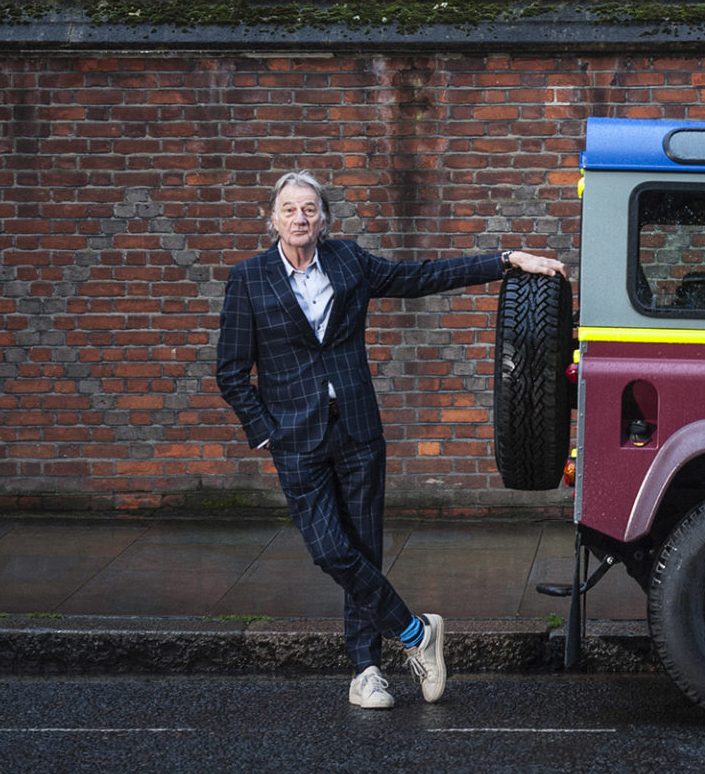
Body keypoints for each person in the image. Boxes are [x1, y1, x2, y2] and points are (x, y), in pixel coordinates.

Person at [216, 169, 564, 709]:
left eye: (309, 209)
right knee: (331, 552)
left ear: (324, 219)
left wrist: (505, 262)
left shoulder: (349, 261)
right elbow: (231, 372)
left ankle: (366, 670)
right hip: (296, 439)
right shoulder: (249, 279)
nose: (299, 218)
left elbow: (419, 277)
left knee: (364, 551)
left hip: (357, 431)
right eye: (289, 209)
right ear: (273, 219)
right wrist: (266, 433)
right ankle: (415, 633)